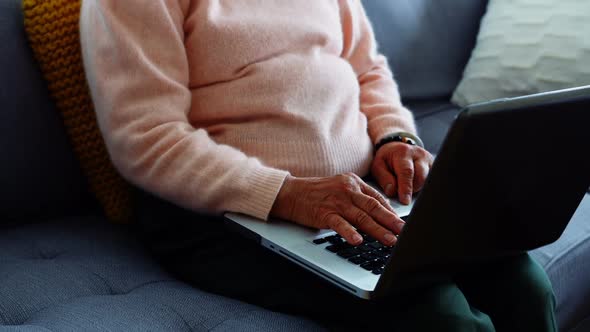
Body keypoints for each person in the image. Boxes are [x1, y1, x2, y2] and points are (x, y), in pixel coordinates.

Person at [80, 0, 557, 330]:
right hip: (225, 217)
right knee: (442, 318)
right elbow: (146, 138)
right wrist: (288, 194)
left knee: (522, 285)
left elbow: (367, 69)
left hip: (359, 192)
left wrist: (395, 136)